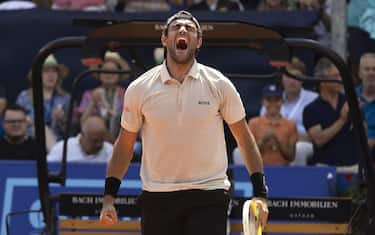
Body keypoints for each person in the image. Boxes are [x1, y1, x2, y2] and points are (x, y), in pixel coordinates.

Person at [99, 11, 269, 235]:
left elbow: (245, 140)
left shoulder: (219, 84)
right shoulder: (140, 88)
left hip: (209, 194)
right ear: (164, 39)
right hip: (157, 196)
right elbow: (124, 145)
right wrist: (109, 198)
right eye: (176, 27)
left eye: (189, 28)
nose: (182, 30)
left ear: (198, 41)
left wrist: (260, 194)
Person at [260, 58, 318, 165]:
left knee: (298, 149)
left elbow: (316, 134)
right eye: (288, 76)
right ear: (282, 78)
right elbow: (262, 128)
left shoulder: (314, 99)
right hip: (273, 141)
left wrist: (290, 138)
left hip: (303, 142)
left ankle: (297, 181)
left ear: (303, 78)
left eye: (296, 76)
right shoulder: (270, 100)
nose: (292, 81)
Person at [303, 58, 358, 167]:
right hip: (324, 168)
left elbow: (363, 135)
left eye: (340, 75)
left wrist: (358, 117)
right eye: (335, 76)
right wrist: (342, 120)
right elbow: (319, 140)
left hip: (351, 167)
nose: (340, 79)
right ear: (322, 81)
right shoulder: (311, 109)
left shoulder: (350, 102)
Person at [16, 54, 70, 142]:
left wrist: (62, 120)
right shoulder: (24, 97)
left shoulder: (66, 98)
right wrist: (26, 122)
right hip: (30, 143)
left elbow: (71, 132)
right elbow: (16, 124)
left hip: (58, 144)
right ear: (38, 75)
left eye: (54, 71)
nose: (51, 75)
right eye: (46, 71)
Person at [77, 51, 129, 142]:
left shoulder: (127, 94)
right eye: (104, 71)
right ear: (99, 74)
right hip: (95, 141)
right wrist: (93, 101)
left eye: (112, 71)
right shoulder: (89, 94)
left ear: (119, 74)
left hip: (121, 140)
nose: (108, 74)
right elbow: (83, 123)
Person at [244, 84, 297, 166]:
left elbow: (291, 157)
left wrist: (278, 141)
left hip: (283, 170)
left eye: (276, 100)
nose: (273, 103)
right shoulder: (253, 123)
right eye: (269, 100)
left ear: (282, 102)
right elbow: (249, 155)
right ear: (263, 102)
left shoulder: (290, 124)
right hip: (260, 169)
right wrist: (263, 141)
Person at [47, 116, 113, 162]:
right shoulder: (62, 149)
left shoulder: (111, 152)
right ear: (82, 135)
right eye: (94, 141)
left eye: (102, 140)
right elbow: (49, 170)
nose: (98, 144)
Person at [356, 53, 375, 149]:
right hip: (354, 149)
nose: (371, 73)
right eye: (367, 69)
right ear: (359, 73)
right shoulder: (349, 97)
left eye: (374, 69)